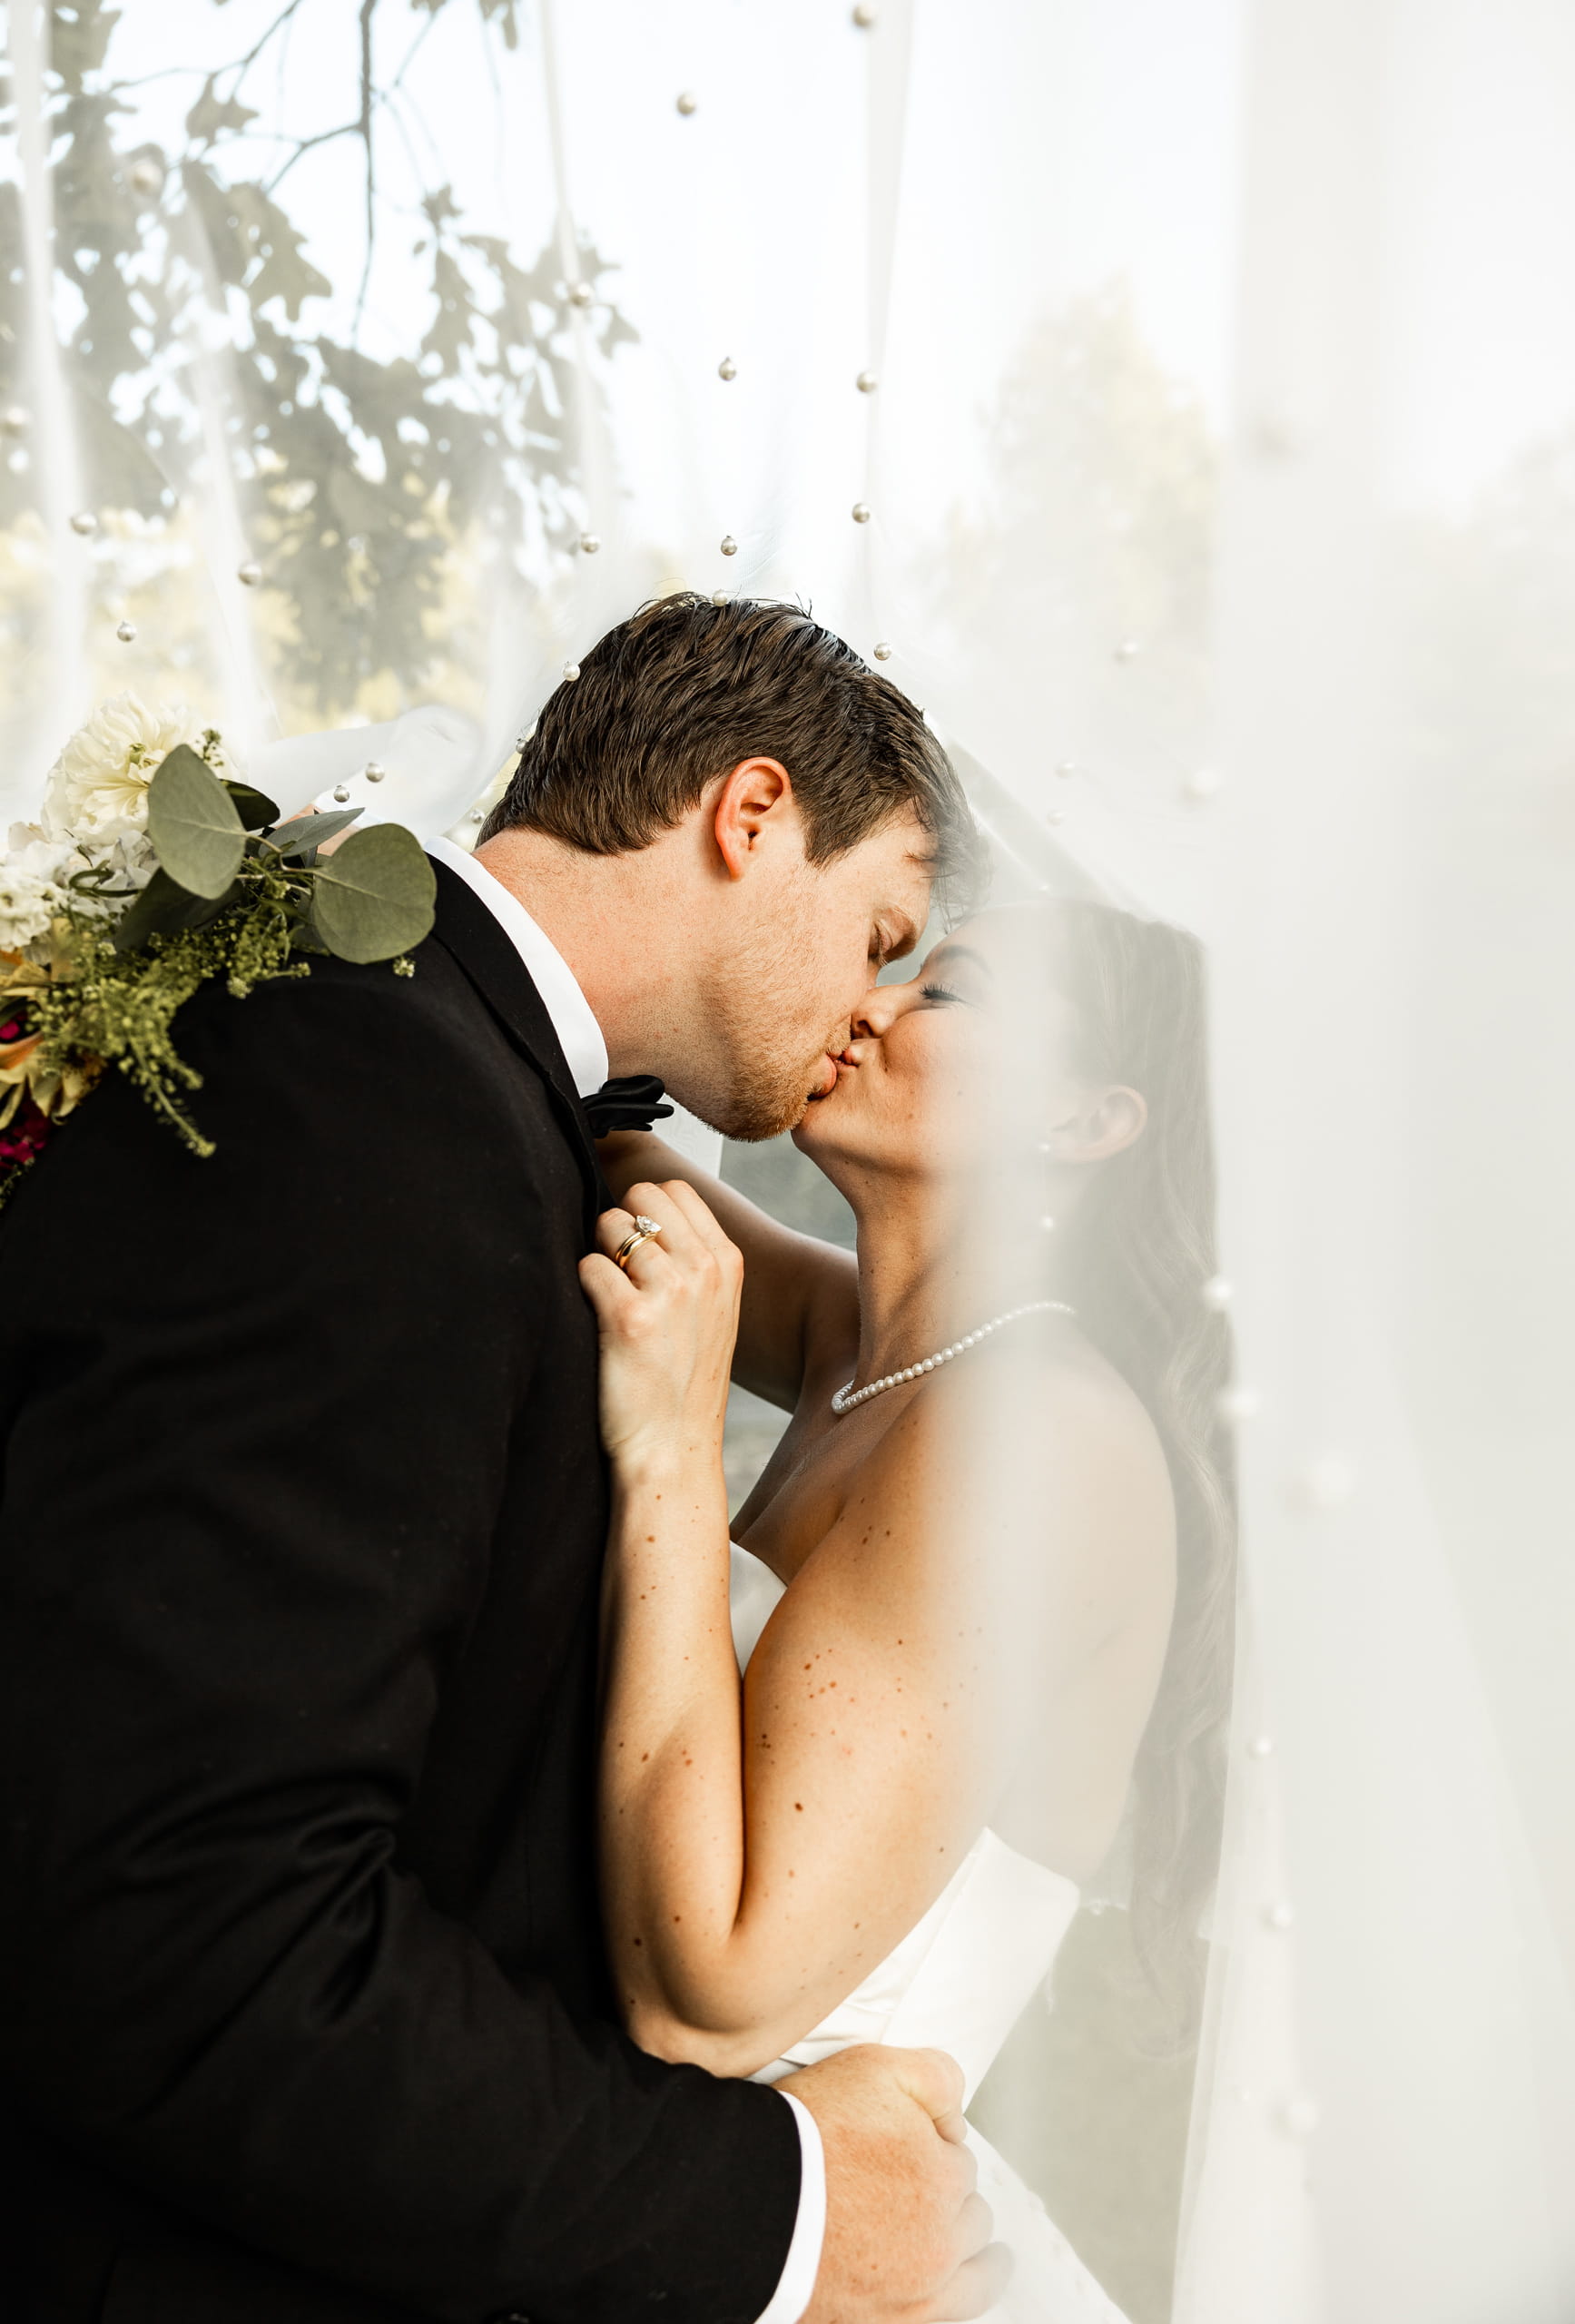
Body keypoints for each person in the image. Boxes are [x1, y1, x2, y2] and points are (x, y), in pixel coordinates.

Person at [0, 596, 1008, 2323]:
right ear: (749, 815)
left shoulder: (463, 1087)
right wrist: (775, 2221)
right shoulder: (371, 1091)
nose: (871, 1008)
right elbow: (183, 1926)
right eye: (880, 932)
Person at [587, 899, 1236, 2318]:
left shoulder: (1039, 1438)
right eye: (896, 963)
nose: (870, 1004)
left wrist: (671, 1451)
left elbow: (714, 1998)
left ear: (1084, 1120)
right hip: (679, 2206)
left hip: (832, 2245)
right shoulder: (868, 1349)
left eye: (954, 995)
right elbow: (603, 1162)